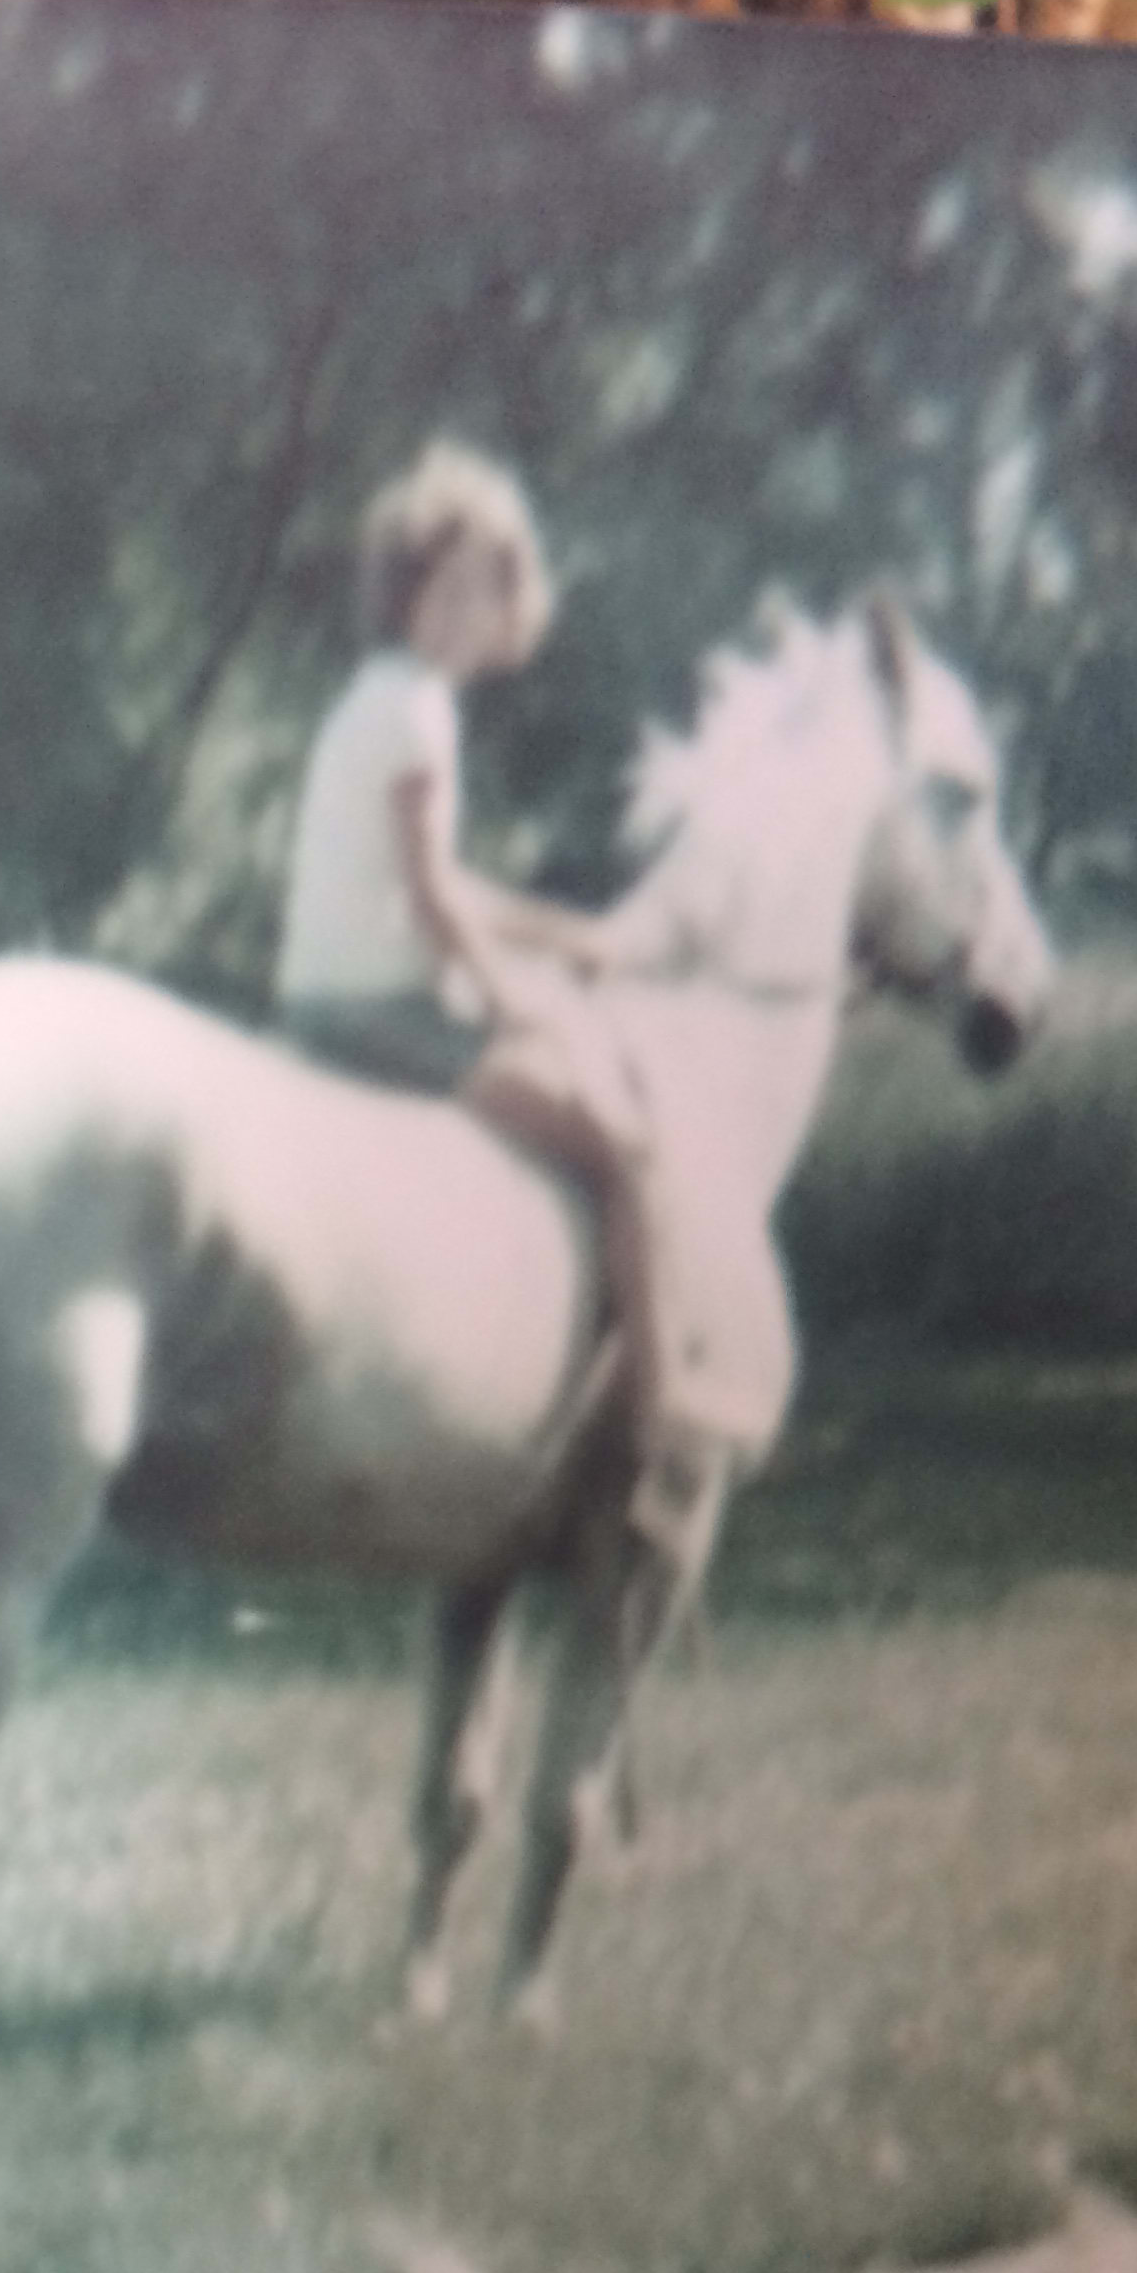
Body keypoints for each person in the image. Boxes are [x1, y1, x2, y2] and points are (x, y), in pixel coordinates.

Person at [276, 442, 681, 1545]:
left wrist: (570, 935)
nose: (464, 611)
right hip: (380, 1017)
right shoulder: (418, 716)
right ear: (408, 596)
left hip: (327, 1000)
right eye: (446, 589)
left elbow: (445, 880)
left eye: (484, 590)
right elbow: (431, 902)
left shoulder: (383, 700)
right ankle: (659, 1446)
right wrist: (521, 1000)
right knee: (625, 1151)